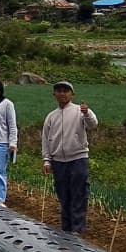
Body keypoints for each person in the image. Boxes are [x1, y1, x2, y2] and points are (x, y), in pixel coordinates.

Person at [41, 81, 98, 235]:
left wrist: (87, 113)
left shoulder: (80, 111)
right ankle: (66, 229)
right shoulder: (51, 117)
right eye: (59, 91)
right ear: (54, 94)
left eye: (65, 91)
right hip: (58, 161)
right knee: (63, 195)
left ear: (72, 94)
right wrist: (46, 160)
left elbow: (93, 124)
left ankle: (77, 229)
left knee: (78, 193)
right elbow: (45, 140)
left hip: (78, 158)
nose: (62, 94)